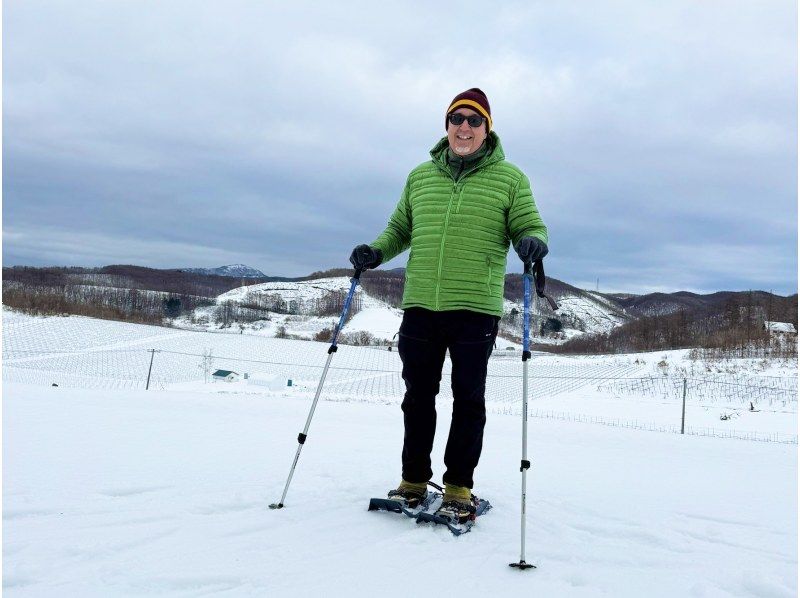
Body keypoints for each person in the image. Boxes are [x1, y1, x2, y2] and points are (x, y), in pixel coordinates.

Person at [349, 88, 548, 523]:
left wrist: (533, 242)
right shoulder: (421, 177)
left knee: (467, 399)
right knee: (417, 397)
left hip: (475, 307)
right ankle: (413, 482)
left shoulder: (511, 178)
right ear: (447, 126)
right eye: (457, 118)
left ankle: (459, 487)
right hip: (421, 303)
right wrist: (375, 252)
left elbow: (527, 225)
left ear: (487, 129)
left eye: (474, 121)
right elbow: (399, 228)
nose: (465, 127)